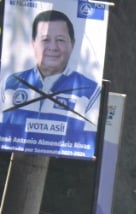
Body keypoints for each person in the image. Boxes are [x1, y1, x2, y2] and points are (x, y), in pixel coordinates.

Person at [0, 9, 101, 150]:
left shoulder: (91, 91)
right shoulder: (10, 82)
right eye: (45, 40)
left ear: (72, 44)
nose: (52, 47)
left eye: (60, 40)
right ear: (33, 43)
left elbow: (86, 143)